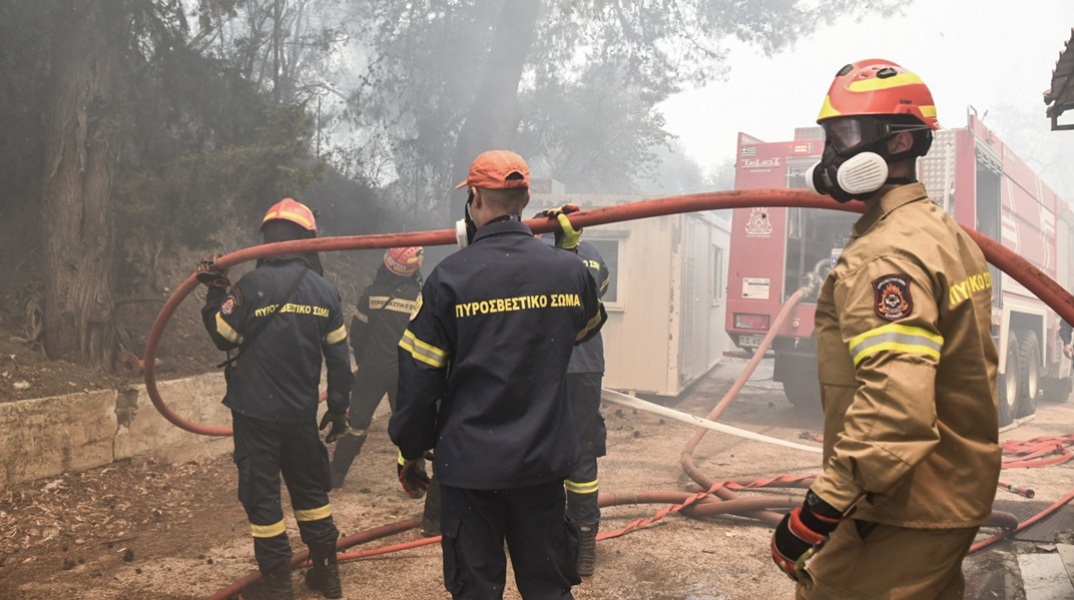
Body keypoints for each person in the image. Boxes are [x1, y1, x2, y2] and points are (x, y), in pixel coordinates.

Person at [770, 59, 1001, 599]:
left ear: (900, 144)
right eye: (831, 138)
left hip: (902, 507)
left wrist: (819, 510)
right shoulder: (941, 233)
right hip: (942, 493)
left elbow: (897, 408)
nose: (833, 156)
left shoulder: (886, 255)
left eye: (846, 135)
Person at [388, 150, 606, 600]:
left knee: (476, 590)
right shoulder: (568, 271)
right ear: (525, 199)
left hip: (472, 469)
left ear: (474, 198)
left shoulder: (448, 279)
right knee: (548, 588)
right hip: (541, 465)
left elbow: (418, 379)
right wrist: (566, 253)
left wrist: (411, 449)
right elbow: (582, 329)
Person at [198, 198, 354, 600]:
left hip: (254, 414)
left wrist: (216, 290)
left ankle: (278, 584)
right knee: (310, 494)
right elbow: (339, 359)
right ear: (308, 241)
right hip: (301, 413)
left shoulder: (250, 287)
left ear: (267, 238)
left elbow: (223, 337)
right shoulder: (325, 292)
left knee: (262, 496)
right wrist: (338, 409)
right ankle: (327, 574)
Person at [536, 205, 611, 577]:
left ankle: (541, 536)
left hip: (549, 362)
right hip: (588, 363)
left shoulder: (537, 252)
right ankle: (584, 540)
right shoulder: (595, 256)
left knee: (539, 442)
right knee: (581, 449)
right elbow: (599, 296)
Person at [330, 246, 425, 490]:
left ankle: (335, 476)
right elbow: (423, 338)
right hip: (403, 373)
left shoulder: (371, 293)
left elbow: (357, 334)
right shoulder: (418, 297)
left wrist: (365, 361)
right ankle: (414, 482)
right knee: (407, 428)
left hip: (371, 369)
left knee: (357, 424)